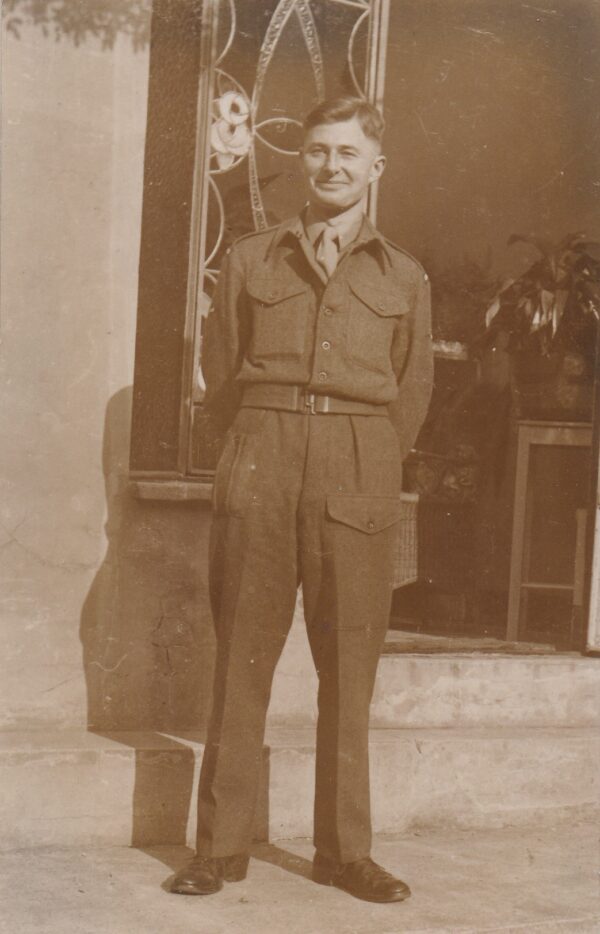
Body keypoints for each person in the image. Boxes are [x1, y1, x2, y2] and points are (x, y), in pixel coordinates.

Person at [170, 96, 433, 903]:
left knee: (349, 670)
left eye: (348, 154)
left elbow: (411, 393)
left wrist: (365, 458)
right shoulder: (251, 260)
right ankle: (219, 846)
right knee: (242, 660)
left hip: (357, 467)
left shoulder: (406, 276)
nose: (330, 166)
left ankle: (344, 852)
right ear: (303, 161)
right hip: (263, 455)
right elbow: (222, 374)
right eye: (318, 151)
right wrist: (254, 452)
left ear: (374, 168)